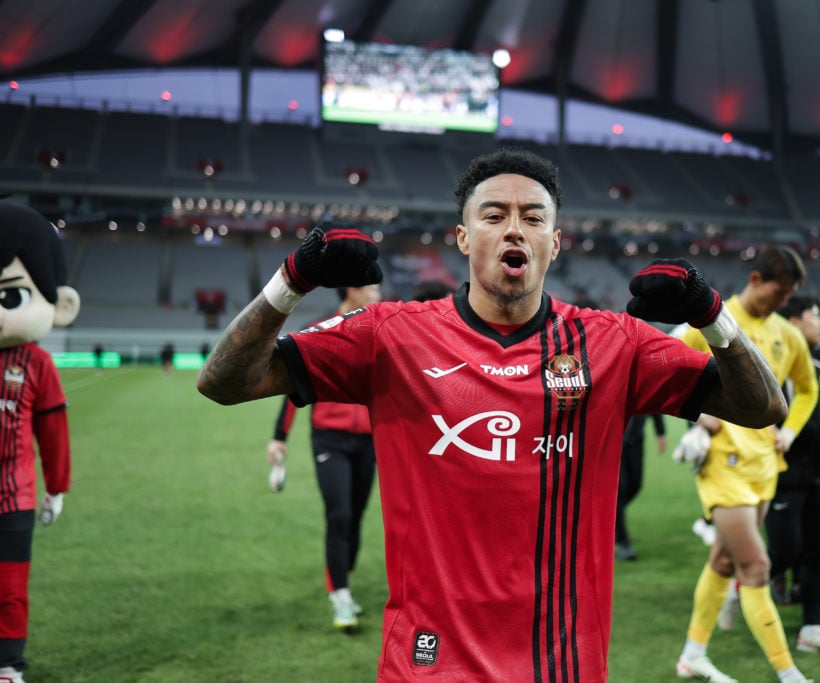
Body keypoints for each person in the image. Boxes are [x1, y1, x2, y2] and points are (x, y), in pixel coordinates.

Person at [196, 148, 787, 682]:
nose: (515, 230)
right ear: (462, 236)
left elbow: (762, 407)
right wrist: (293, 279)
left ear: (554, 244)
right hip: (424, 664)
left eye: (533, 218)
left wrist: (712, 314)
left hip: (562, 664)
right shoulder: (391, 335)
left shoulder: (613, 343)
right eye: (494, 214)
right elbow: (224, 381)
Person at [672, 246, 818, 683]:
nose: (782, 302)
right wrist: (697, 415)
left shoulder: (786, 334)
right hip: (722, 467)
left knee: (723, 563)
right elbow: (659, 366)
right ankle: (788, 673)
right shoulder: (710, 321)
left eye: (788, 295)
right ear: (755, 279)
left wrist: (789, 431)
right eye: (778, 291)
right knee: (756, 567)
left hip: (763, 468)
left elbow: (807, 389)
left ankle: (691, 655)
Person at [265, 284, 382, 631]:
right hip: (329, 439)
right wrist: (279, 437)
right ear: (352, 291)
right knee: (340, 514)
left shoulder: (379, 332)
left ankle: (342, 578)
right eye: (371, 288)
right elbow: (292, 387)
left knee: (357, 516)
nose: (377, 294)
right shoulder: (320, 331)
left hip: (369, 441)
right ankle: (341, 595)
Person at [0, 202, 82, 683]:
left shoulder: (37, 364)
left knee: (10, 585)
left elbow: (53, 432)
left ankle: (8, 663)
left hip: (14, 494)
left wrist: (57, 487)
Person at [764, 295, 820, 657]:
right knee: (786, 551)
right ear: (792, 322)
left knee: (817, 553)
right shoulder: (772, 366)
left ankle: (811, 629)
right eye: (814, 315)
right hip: (783, 478)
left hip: (819, 477)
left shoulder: (817, 368)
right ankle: (738, 581)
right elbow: (786, 424)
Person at [615, 413, 666, 561]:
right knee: (620, 490)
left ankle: (611, 518)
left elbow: (654, 400)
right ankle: (623, 542)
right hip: (615, 442)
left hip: (636, 440)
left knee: (635, 485)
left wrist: (660, 432)